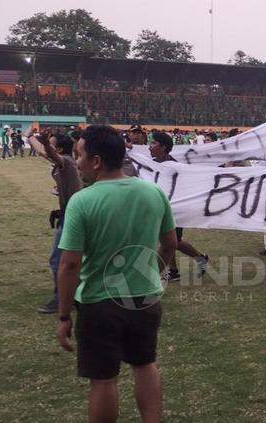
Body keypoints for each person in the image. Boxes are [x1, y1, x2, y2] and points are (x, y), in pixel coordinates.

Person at [56, 124, 178, 423]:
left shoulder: (82, 201)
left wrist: (63, 315)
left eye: (80, 155)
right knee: (145, 364)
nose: (78, 162)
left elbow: (70, 265)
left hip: (99, 302)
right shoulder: (153, 192)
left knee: (103, 379)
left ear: (96, 161)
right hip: (145, 298)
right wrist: (151, 272)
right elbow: (169, 245)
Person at [26, 128, 84, 314]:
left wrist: (43, 143)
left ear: (58, 150)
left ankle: (62, 299)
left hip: (72, 217)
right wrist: (30, 137)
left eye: (51, 144)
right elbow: (45, 153)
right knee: (73, 259)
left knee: (57, 261)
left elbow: (51, 155)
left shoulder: (65, 161)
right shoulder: (66, 161)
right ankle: (76, 295)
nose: (46, 147)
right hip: (70, 214)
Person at [149, 131, 209, 280]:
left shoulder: (173, 166)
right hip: (162, 207)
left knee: (172, 241)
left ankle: (194, 261)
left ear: (163, 147)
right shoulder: (153, 163)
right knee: (170, 241)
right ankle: (177, 270)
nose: (150, 147)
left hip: (175, 208)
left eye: (153, 143)